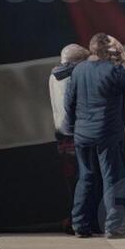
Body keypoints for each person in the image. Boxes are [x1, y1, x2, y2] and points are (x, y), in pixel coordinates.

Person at [64, 32, 125, 238]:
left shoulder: (78, 70)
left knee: (86, 178)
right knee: (111, 178)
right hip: (106, 133)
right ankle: (113, 226)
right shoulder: (113, 70)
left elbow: (68, 103)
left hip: (82, 135)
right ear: (109, 50)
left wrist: (72, 128)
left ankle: (80, 224)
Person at [49, 44, 90, 235]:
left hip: (60, 136)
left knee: (71, 182)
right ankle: (77, 219)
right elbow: (71, 109)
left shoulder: (54, 75)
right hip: (73, 134)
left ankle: (73, 218)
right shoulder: (73, 77)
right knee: (82, 179)